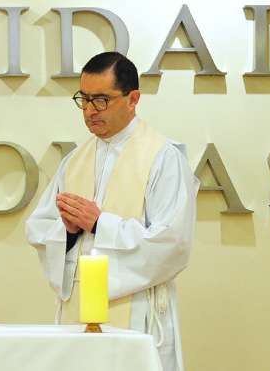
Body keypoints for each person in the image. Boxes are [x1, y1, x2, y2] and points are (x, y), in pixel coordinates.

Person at [25, 52, 197, 371]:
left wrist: (100, 223)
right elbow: (39, 229)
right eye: (84, 99)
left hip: (138, 312)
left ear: (133, 99)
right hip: (78, 313)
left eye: (101, 100)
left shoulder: (163, 157)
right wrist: (68, 231)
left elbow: (173, 243)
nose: (90, 111)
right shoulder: (75, 160)